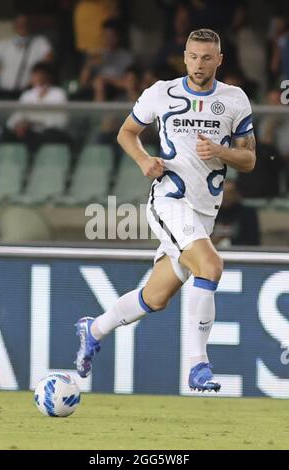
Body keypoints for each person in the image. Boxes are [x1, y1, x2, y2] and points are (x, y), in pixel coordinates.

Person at [75, 29, 256, 392]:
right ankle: (197, 364)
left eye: (207, 57)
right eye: (193, 56)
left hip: (205, 212)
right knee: (211, 265)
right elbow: (127, 132)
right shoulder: (161, 93)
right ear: (184, 56)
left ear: (219, 60)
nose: (199, 64)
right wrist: (143, 160)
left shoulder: (234, 99)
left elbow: (249, 159)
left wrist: (221, 152)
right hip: (169, 202)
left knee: (155, 297)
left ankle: (93, 329)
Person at [4, 62, 68, 152]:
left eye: (41, 75)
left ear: (49, 76)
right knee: (7, 134)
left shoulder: (58, 94)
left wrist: (33, 122)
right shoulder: (27, 94)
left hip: (48, 134)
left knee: (49, 136)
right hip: (27, 132)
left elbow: (60, 121)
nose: (38, 78)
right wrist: (18, 125)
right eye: (35, 75)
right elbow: (16, 117)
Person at [0, 14, 53, 99]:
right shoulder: (6, 44)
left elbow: (48, 57)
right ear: (14, 26)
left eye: (25, 24)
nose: (22, 26)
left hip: (27, 92)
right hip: (4, 91)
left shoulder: (39, 42)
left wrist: (38, 77)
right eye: (19, 24)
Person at [212, 179, 260, 247]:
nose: (225, 197)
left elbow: (253, 242)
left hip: (240, 253)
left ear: (238, 194)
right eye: (222, 193)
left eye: (229, 193)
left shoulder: (248, 214)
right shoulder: (212, 213)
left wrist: (228, 242)